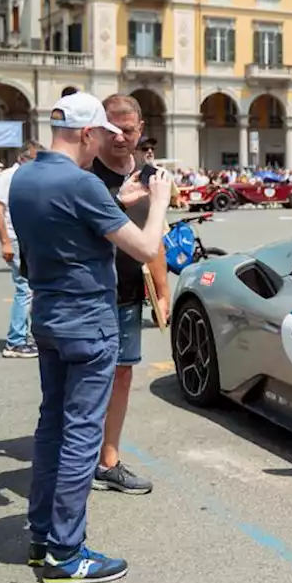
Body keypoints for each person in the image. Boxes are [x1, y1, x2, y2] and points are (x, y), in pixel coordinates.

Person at [10, 92, 172, 583]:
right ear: (86, 134)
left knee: (51, 427)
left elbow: (67, 226)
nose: (108, 141)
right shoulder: (80, 182)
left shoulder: (25, 176)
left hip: (50, 316)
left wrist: (113, 202)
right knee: (83, 434)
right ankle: (66, 551)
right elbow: (145, 248)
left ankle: (43, 537)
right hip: (88, 319)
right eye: (102, 134)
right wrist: (158, 202)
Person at [88, 94, 172, 497]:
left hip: (128, 295)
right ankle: (78, 457)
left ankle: (108, 459)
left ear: (141, 130)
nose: (121, 136)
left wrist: (163, 289)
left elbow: (156, 238)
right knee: (87, 380)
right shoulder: (85, 172)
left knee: (122, 375)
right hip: (88, 294)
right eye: (113, 128)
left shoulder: (152, 174)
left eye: (129, 129)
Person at [0, 141, 41, 359]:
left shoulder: (30, 177)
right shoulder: (8, 177)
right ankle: (15, 341)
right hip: (15, 237)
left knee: (32, 288)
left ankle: (25, 335)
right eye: (36, 160)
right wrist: (5, 242)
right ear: (23, 158)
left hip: (29, 237)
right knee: (25, 288)